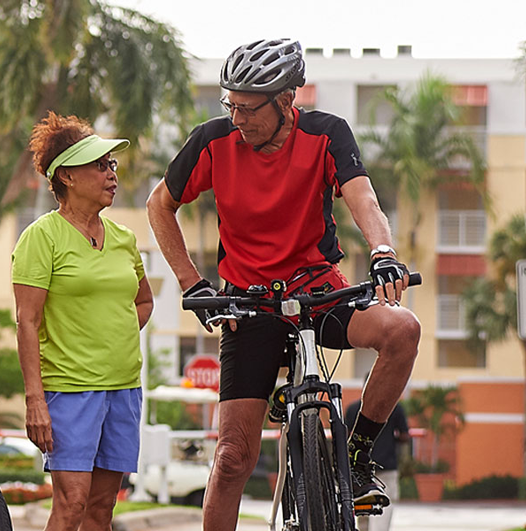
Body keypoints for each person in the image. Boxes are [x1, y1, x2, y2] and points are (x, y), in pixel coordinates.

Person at [145, 38, 421, 531]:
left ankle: (355, 458)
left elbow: (364, 200)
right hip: (248, 306)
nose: (237, 118)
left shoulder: (326, 133)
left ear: (287, 100)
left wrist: (383, 254)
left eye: (249, 109)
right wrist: (193, 284)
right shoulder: (212, 141)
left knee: (403, 330)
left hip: (317, 290)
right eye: (231, 104)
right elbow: (158, 205)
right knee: (232, 458)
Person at [11, 112, 153, 531]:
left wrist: (114, 335)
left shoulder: (124, 238)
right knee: (72, 504)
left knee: (102, 508)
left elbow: (142, 301)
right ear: (67, 176)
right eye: (99, 165)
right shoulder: (42, 237)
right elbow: (26, 321)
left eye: (112, 165)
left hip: (124, 388)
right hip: (68, 391)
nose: (111, 174)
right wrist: (35, 399)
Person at [343, 400, 409, 531]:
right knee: (382, 512)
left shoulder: (353, 409)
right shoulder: (394, 407)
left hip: (359, 467)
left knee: (362, 509)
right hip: (387, 465)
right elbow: (404, 435)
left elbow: (344, 435)